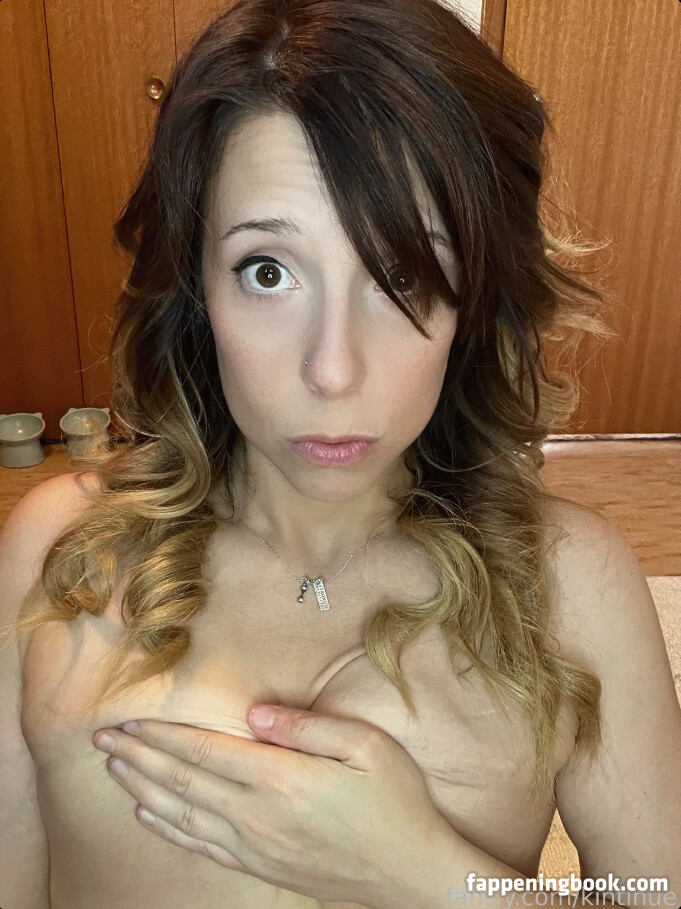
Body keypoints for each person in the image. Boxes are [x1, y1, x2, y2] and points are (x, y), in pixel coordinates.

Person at [1, 1, 679, 907]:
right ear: (196, 285)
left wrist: (426, 873)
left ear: (474, 296)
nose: (332, 369)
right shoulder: (62, 551)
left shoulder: (572, 581)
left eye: (400, 275)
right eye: (268, 271)